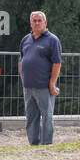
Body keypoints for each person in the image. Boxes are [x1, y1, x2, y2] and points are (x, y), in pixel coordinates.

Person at [19, 11, 61, 146]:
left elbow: (57, 63)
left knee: (47, 116)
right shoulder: (25, 39)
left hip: (44, 86)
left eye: (39, 20)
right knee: (31, 117)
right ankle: (33, 143)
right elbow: (21, 60)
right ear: (31, 23)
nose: (37, 23)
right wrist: (23, 79)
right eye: (34, 21)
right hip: (28, 87)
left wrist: (52, 84)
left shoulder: (52, 40)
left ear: (45, 23)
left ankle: (46, 143)